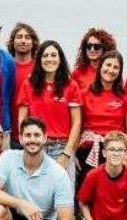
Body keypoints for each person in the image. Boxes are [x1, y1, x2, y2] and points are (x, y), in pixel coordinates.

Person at [75, 50, 127, 220]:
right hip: (88, 150)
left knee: (112, 193)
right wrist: (74, 153)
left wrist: (126, 156)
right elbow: (78, 124)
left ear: (120, 71)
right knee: (89, 191)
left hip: (115, 150)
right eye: (108, 65)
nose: (111, 70)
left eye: (116, 67)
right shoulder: (85, 93)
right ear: (100, 66)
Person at [16, 40, 81, 177]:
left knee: (64, 195)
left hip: (62, 147)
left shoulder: (71, 85)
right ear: (39, 59)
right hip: (37, 146)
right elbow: (22, 119)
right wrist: (28, 145)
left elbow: (76, 123)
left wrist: (67, 153)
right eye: (45, 56)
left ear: (60, 59)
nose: (49, 59)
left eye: (53, 55)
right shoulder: (28, 85)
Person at [5, 22, 39, 148]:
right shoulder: (6, 66)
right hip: (9, 132)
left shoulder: (40, 69)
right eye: (19, 37)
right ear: (12, 41)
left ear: (33, 42)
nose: (23, 41)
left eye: (27, 37)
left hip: (35, 134)